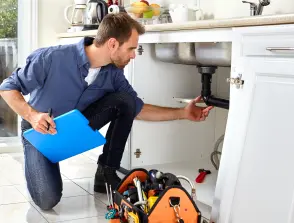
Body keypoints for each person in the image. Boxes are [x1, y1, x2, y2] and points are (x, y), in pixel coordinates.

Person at [0, 13, 213, 210]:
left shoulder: (113, 75)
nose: (133, 56)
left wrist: (183, 113)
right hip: (41, 132)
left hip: (74, 127)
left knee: (125, 100)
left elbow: (137, 109)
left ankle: (106, 173)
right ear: (112, 44)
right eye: (131, 49)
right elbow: (7, 88)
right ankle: (41, 162)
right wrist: (32, 115)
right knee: (48, 200)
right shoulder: (51, 58)